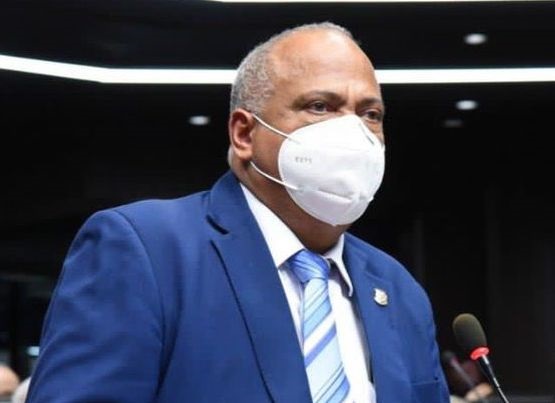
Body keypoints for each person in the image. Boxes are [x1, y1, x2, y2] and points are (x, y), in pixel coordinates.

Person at [26, 22, 449, 402]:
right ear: (244, 133)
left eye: (370, 114)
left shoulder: (396, 287)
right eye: (320, 106)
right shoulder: (147, 250)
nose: (353, 131)